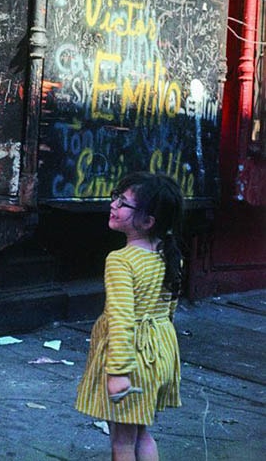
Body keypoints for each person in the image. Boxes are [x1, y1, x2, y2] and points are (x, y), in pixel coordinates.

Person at [75, 172, 184, 461]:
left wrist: (118, 372)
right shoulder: (169, 255)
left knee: (122, 442)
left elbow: (121, 318)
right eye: (117, 197)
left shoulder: (120, 261)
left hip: (132, 356)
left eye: (123, 203)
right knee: (141, 432)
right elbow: (169, 309)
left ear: (148, 222)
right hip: (159, 351)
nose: (114, 204)